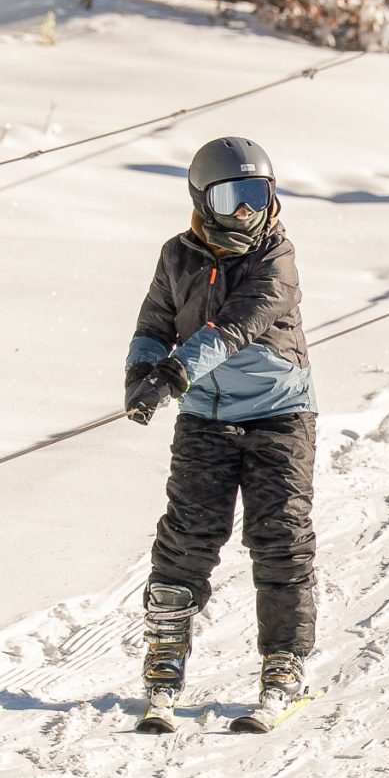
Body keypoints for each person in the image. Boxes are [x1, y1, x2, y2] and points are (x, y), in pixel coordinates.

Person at [122, 135, 319, 732]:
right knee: (187, 538)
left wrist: (176, 370)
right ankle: (163, 666)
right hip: (205, 418)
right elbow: (155, 321)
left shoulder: (274, 256)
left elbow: (236, 326)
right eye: (233, 197)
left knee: (278, 536)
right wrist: (140, 372)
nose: (247, 212)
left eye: (257, 194)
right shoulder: (177, 255)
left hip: (279, 414)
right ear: (202, 199)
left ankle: (282, 666)